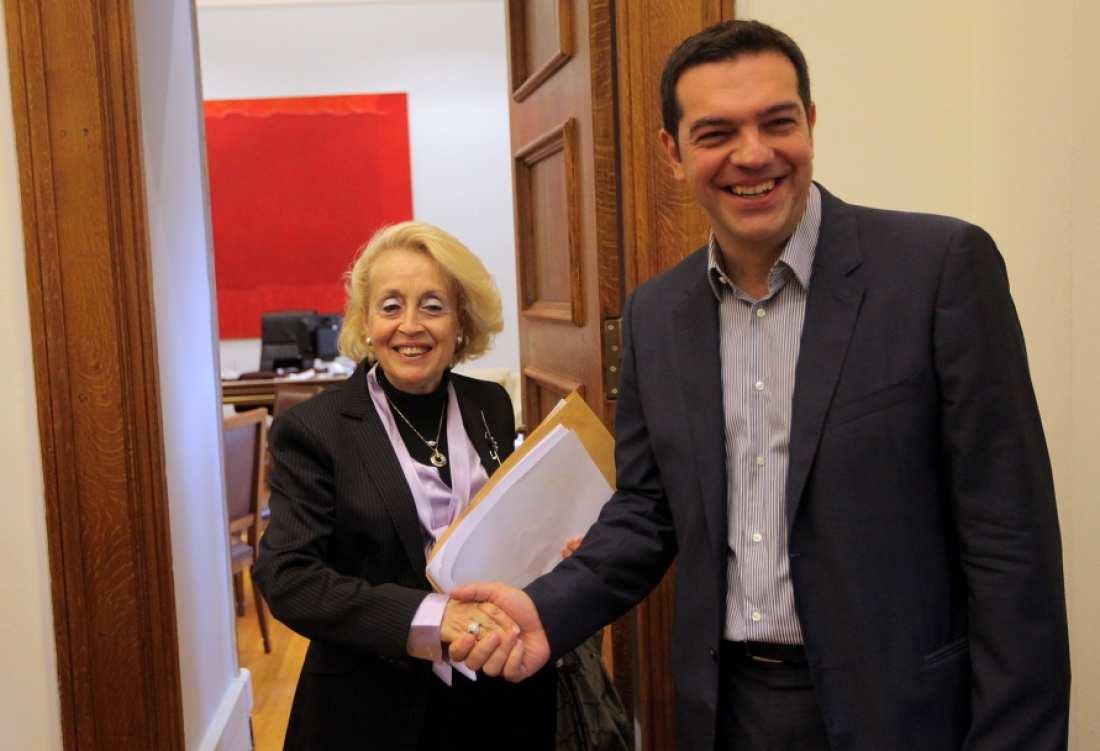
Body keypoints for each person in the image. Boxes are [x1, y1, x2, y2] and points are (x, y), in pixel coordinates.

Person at [450, 19, 1071, 751]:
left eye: (777, 122)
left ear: (810, 122)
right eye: (716, 133)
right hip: (727, 710)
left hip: (903, 710)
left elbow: (1010, 542)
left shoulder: (939, 270)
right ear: (673, 153)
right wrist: (548, 609)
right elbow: (649, 510)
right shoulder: (657, 313)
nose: (753, 154)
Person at [253, 221, 556, 750]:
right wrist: (435, 618)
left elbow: (503, 527)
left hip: (498, 695)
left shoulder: (490, 405)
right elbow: (289, 579)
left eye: (433, 306)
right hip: (372, 709)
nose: (410, 326)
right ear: (366, 322)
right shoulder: (313, 429)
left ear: (461, 321)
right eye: (391, 306)